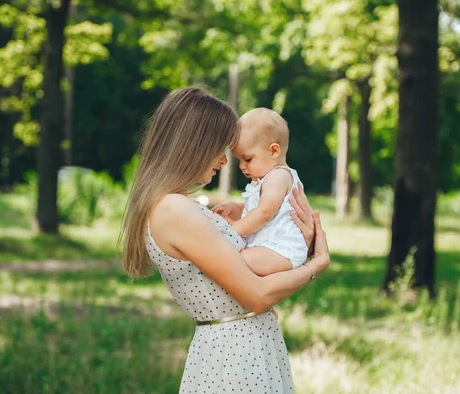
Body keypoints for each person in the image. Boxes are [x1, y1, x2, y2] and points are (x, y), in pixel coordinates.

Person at [121, 87, 330, 393]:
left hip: (244, 346)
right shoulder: (173, 210)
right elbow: (256, 296)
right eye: (220, 148)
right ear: (194, 145)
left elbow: (242, 277)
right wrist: (316, 263)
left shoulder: (177, 206)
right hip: (234, 356)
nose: (223, 160)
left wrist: (295, 241)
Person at [212, 108, 308, 277]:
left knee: (240, 259)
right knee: (235, 258)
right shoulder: (264, 180)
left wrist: (234, 229)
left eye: (247, 159)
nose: (242, 166)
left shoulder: (279, 176)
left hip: (282, 249)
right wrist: (236, 209)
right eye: (239, 160)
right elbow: (257, 208)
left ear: (274, 151)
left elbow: (264, 213)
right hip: (268, 247)